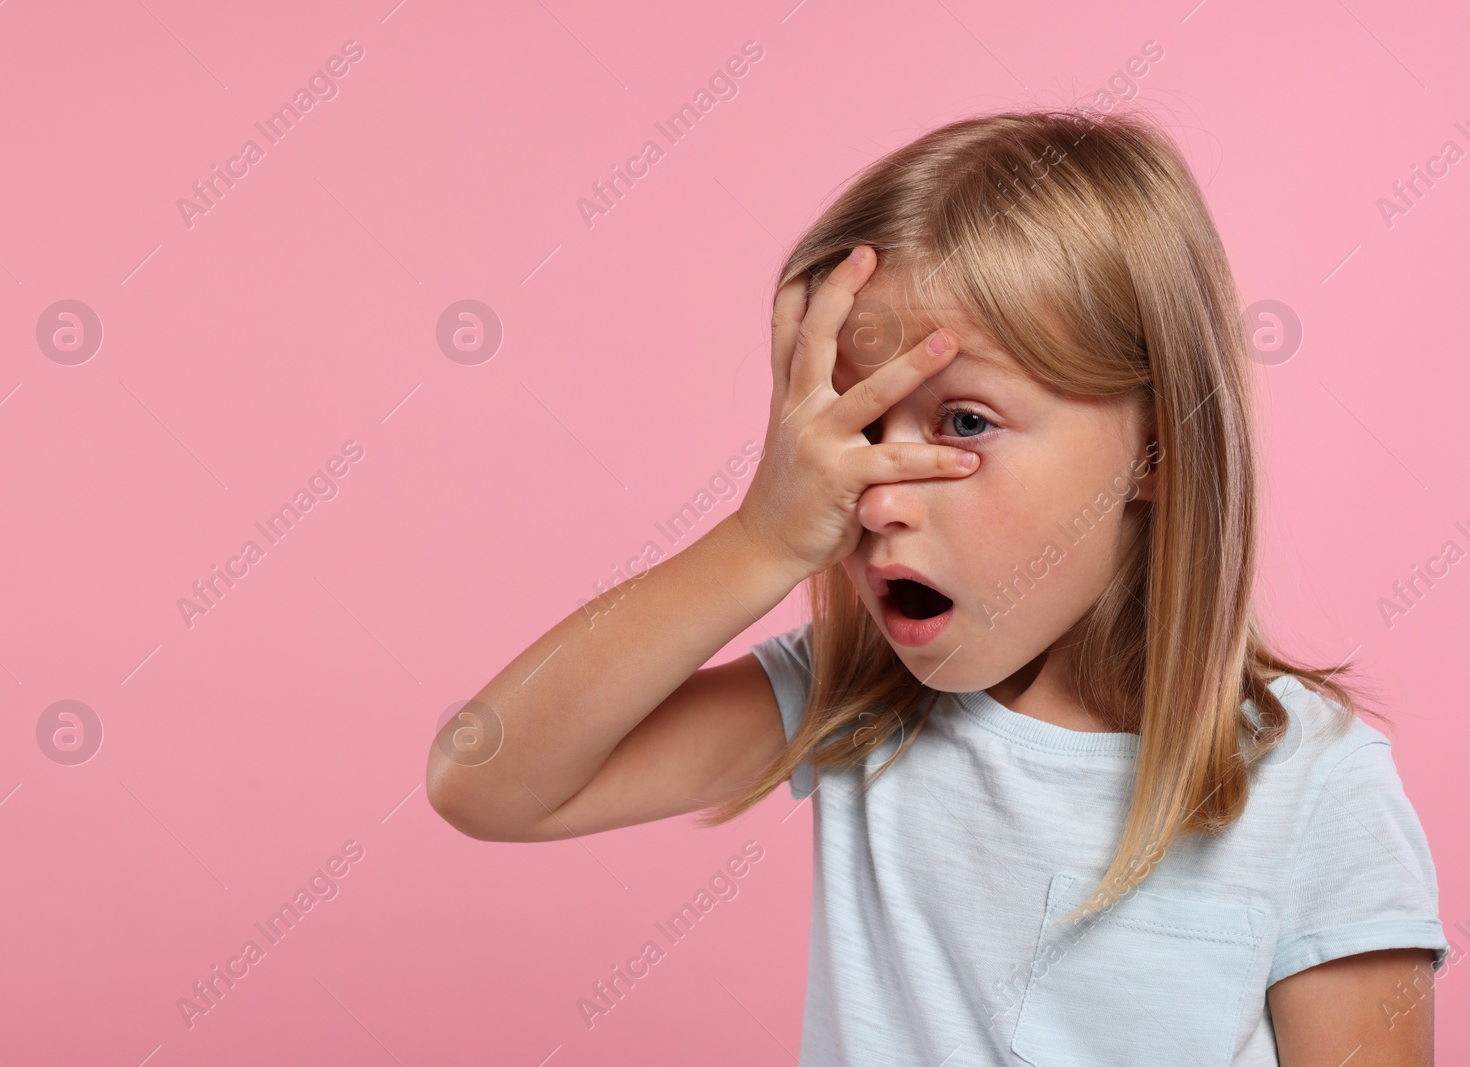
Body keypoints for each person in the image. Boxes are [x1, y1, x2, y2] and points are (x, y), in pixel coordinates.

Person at [426, 108, 1449, 1065]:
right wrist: (758, 543)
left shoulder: (1310, 783)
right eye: (858, 429)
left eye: (963, 422)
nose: (876, 496)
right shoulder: (856, 703)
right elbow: (486, 778)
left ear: (1157, 451)